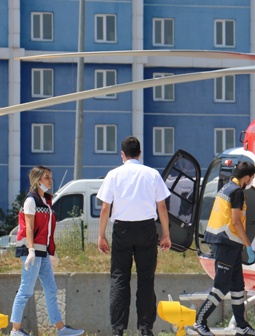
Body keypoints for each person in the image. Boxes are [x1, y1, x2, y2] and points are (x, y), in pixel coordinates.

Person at [97, 136, 172, 336]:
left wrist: (101, 235)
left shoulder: (113, 175)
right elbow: (162, 206)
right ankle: (145, 329)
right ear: (140, 153)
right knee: (146, 280)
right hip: (147, 229)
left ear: (122, 154)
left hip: (121, 230)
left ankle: (117, 330)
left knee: (120, 280)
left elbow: (105, 207)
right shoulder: (152, 174)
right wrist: (165, 234)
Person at [10, 166, 85, 336]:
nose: (50, 181)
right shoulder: (31, 200)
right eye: (46, 178)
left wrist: (51, 250)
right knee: (25, 291)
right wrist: (30, 250)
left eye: (50, 177)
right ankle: (15, 330)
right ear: (37, 181)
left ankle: (61, 329)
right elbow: (28, 227)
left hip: (42, 251)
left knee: (51, 289)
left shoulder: (46, 201)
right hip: (31, 251)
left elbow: (48, 228)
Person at [192, 161, 255, 336]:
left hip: (228, 243)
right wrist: (248, 245)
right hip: (226, 243)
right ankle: (199, 322)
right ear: (246, 177)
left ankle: (241, 325)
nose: (251, 181)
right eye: (252, 178)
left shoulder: (226, 188)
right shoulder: (237, 192)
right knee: (221, 286)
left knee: (238, 286)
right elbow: (236, 222)